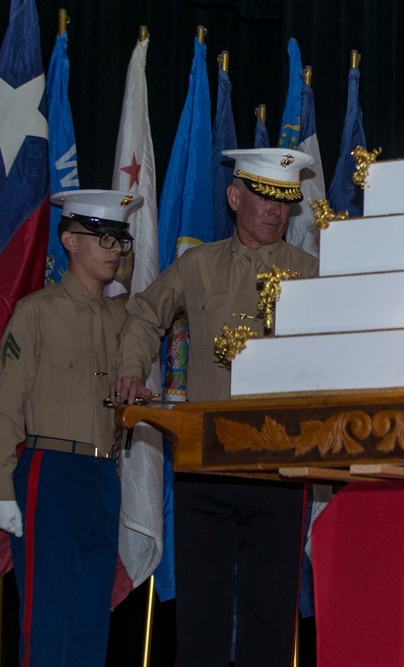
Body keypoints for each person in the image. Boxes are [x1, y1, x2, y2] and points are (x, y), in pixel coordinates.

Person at [111, 148, 318, 666]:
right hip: (205, 461)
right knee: (200, 618)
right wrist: (133, 367)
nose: (275, 211)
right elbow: (142, 314)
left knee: (270, 622)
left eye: (286, 201)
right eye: (264, 198)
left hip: (279, 466)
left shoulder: (312, 274)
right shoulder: (196, 265)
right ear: (234, 197)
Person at [0, 190, 143, 666]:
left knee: (92, 620)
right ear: (70, 241)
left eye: (122, 239)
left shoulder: (122, 319)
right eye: (105, 238)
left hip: (102, 476)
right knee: (48, 620)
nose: (116, 249)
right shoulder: (37, 311)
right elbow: (5, 408)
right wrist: (1, 487)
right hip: (50, 472)